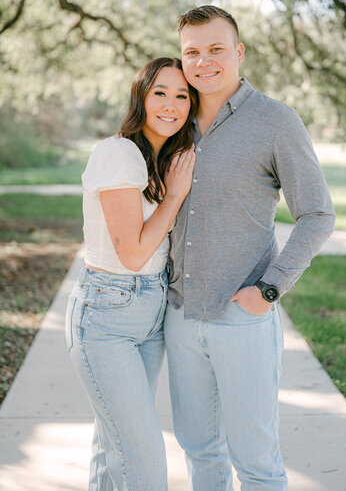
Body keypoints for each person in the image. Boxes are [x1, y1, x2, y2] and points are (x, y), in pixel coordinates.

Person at [164, 6, 336, 491]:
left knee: (257, 465)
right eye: (192, 52)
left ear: (238, 52)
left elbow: (318, 214)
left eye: (216, 49)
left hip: (242, 317)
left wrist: (270, 289)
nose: (204, 61)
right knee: (199, 451)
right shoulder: (173, 120)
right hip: (179, 315)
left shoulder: (276, 121)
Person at [65, 57, 198, 491]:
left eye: (182, 95)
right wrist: (175, 196)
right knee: (142, 452)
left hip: (150, 313)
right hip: (107, 314)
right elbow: (134, 254)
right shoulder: (118, 153)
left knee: (113, 445)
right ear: (140, 97)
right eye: (160, 91)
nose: (171, 104)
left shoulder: (162, 159)